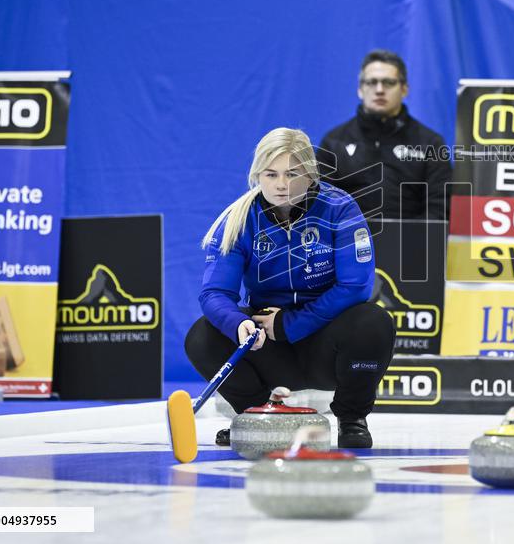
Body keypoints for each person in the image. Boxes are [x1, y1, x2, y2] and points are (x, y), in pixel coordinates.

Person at [185, 128, 395, 448]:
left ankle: (352, 419)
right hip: (267, 342)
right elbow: (214, 294)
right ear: (258, 176)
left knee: (373, 323)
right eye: (271, 174)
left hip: (324, 339)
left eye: (292, 173)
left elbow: (355, 287)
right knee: (202, 336)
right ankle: (256, 417)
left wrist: (289, 324)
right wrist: (238, 322)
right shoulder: (238, 219)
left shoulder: (340, 208)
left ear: (310, 174)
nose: (281, 184)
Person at [319, 50, 452, 221]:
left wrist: (412, 242)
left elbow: (440, 207)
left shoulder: (431, 143)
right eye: (372, 82)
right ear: (360, 89)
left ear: (404, 89)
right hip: (348, 242)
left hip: (412, 244)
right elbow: (322, 206)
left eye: (388, 83)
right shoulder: (334, 142)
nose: (379, 90)